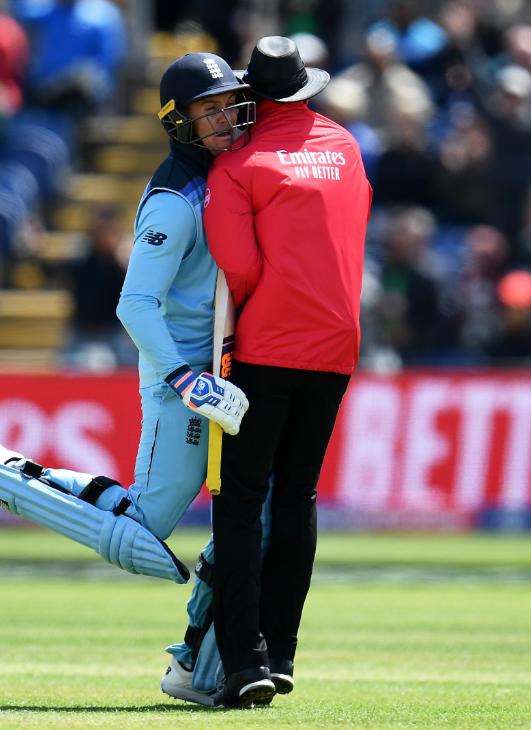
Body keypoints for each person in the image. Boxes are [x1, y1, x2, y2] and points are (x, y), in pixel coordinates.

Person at [0, 46, 255, 656]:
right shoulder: (174, 198)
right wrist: (184, 380)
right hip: (181, 372)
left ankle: (7, 472)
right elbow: (134, 303)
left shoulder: (222, 173)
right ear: (177, 120)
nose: (224, 120)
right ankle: (4, 480)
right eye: (208, 111)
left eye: (229, 107)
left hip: (209, 366)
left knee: (156, 513)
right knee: (145, 534)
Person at [201, 36, 372, 708]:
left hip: (268, 346)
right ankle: (286, 650)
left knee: (241, 502)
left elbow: (237, 267)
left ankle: (245, 662)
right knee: (296, 499)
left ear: (251, 96)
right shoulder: (347, 146)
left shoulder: (239, 165)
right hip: (337, 343)